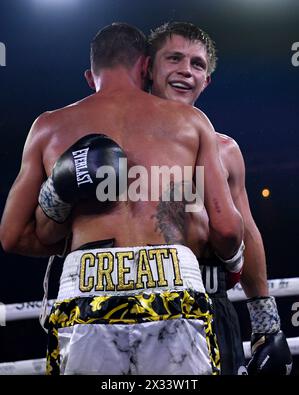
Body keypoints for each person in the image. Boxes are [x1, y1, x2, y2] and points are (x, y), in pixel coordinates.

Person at [0, 23, 244, 375]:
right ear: (145, 67)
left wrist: (62, 197)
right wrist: (233, 263)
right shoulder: (192, 122)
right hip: (173, 280)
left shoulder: (49, 126)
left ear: (89, 76)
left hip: (87, 283)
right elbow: (225, 226)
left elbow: (11, 236)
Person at [148, 21, 292, 375]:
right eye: (175, 59)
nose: (186, 70)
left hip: (213, 303)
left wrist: (266, 323)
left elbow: (248, 230)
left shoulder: (225, 151)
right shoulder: (113, 144)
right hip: (135, 304)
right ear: (149, 68)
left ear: (206, 80)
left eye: (197, 64)